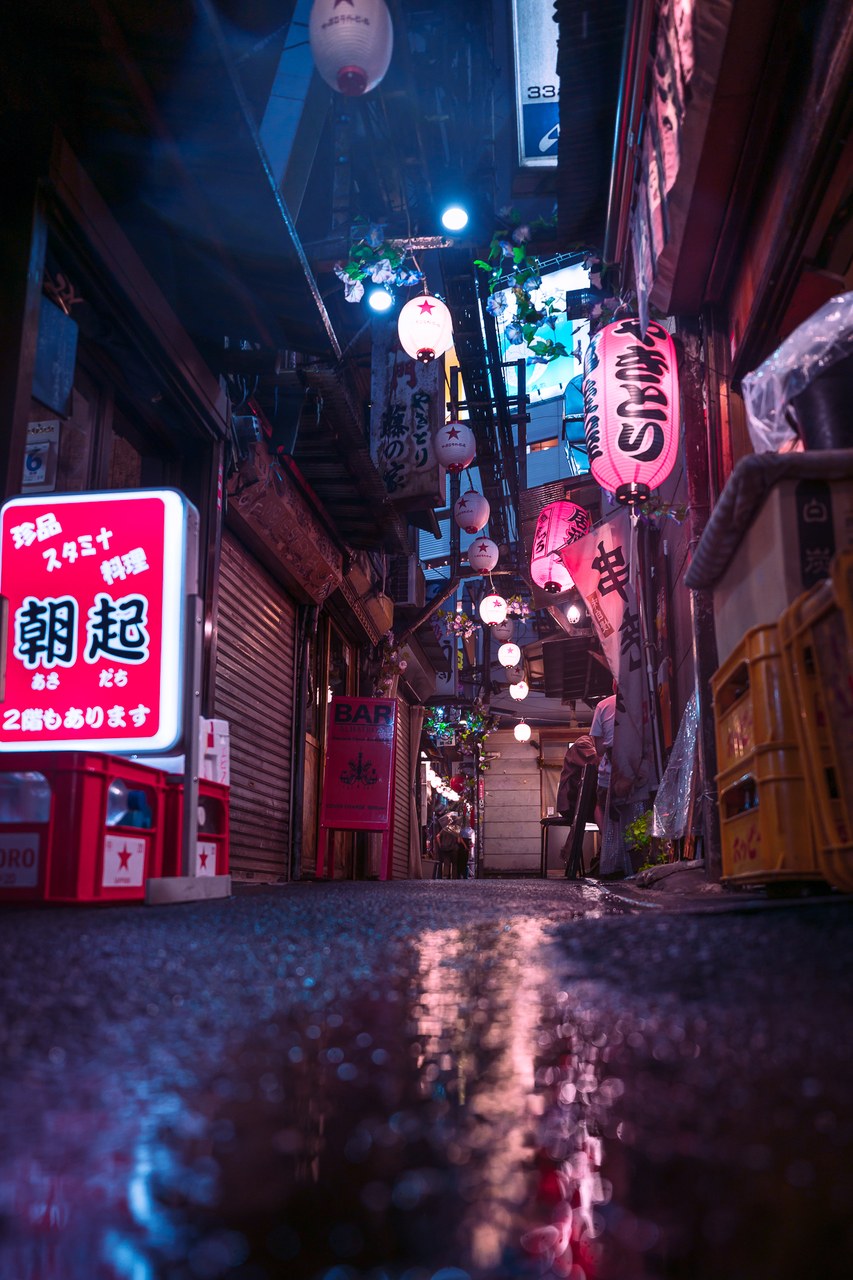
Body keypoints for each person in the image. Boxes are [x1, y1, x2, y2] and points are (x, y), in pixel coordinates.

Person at [591, 684, 617, 833]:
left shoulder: (604, 705)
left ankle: (607, 840)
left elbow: (599, 749)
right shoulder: (645, 702)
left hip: (610, 776)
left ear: (614, 685)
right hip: (641, 773)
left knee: (599, 807)